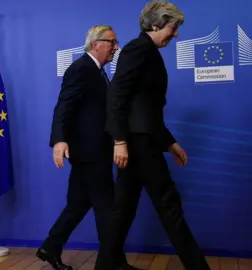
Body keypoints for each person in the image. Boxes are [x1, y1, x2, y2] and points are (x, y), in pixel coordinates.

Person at [94, 2, 210, 270]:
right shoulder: (138, 49)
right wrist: (119, 141)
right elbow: (117, 96)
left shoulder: (147, 51)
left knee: (122, 211)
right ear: (156, 25)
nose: (176, 34)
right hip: (137, 143)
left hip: (142, 140)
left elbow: (145, 108)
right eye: (173, 27)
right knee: (169, 206)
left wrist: (170, 142)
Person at [36, 25, 139, 270]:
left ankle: (50, 247)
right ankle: (115, 264)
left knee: (78, 204)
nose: (116, 47)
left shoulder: (98, 71)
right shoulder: (80, 69)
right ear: (96, 44)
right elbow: (64, 106)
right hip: (89, 153)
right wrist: (59, 140)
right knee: (107, 207)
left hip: (91, 152)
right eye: (112, 42)